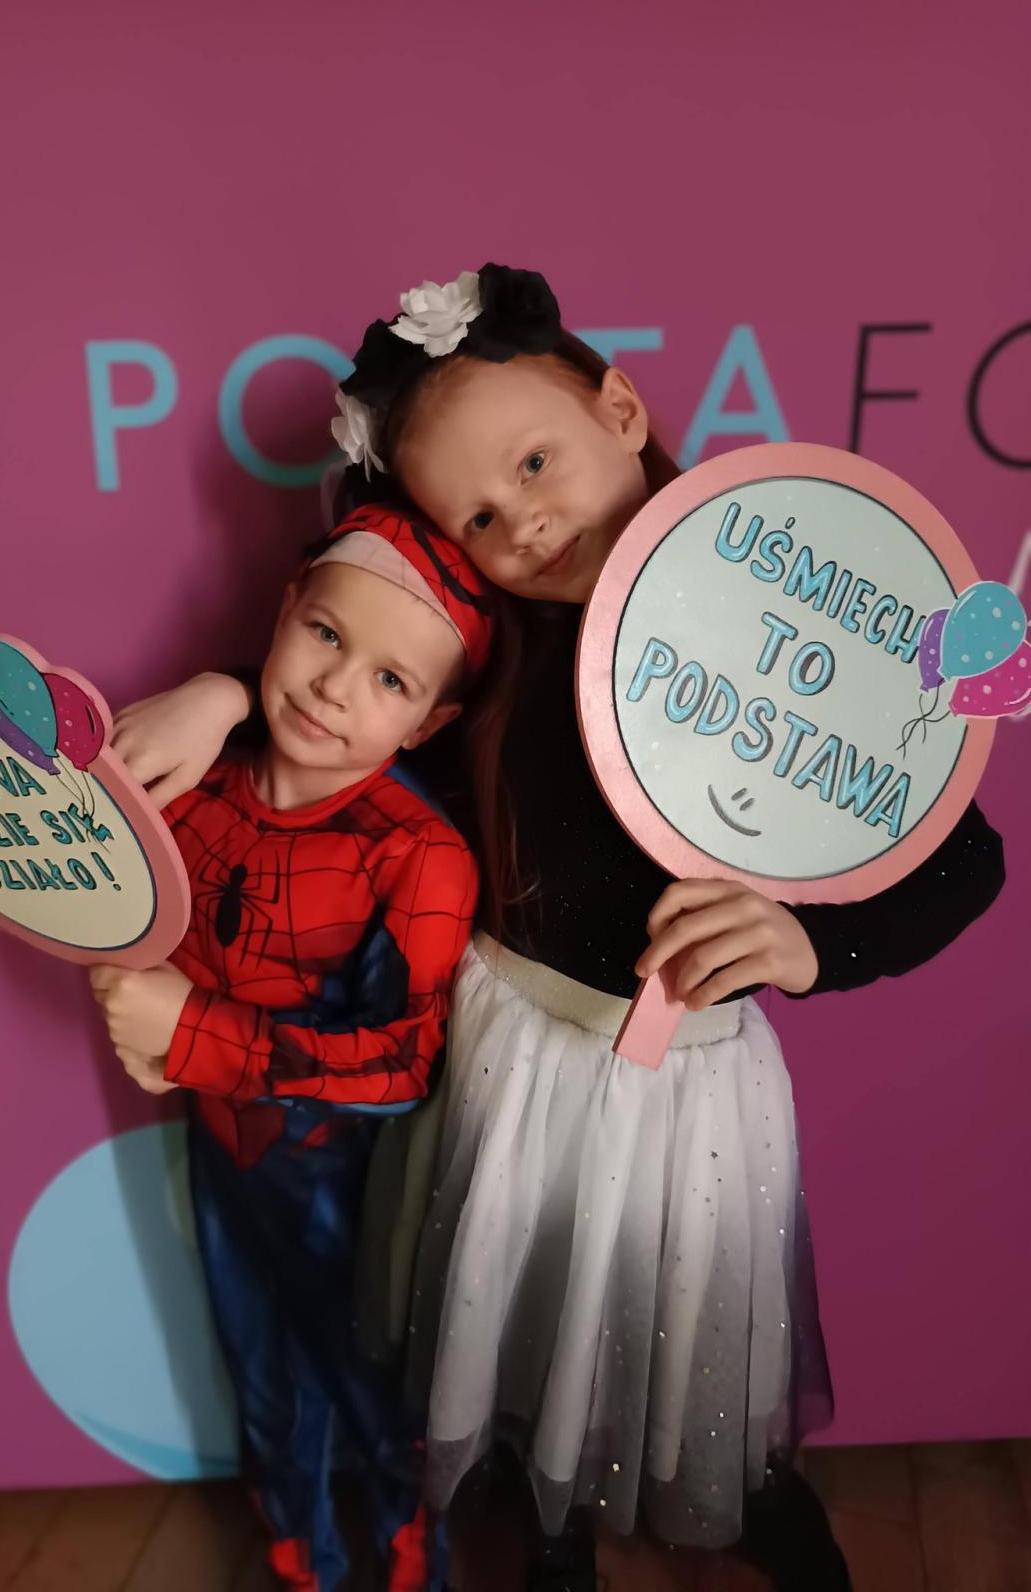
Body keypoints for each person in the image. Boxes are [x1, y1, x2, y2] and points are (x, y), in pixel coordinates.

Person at [110, 266, 1006, 1592]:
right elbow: (362, 686)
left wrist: (815, 946)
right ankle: (551, 1532)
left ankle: (752, 1496)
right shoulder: (497, 665)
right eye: (476, 513)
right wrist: (228, 694)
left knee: (686, 1305)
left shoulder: (778, 623)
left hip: (693, 1080)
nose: (521, 520)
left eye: (534, 462)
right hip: (516, 1052)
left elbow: (964, 859)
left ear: (621, 411)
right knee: (528, 1303)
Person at [91, 503, 491, 1592]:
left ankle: (415, 1566)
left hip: (353, 1191)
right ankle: (299, 1564)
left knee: (381, 1389)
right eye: (325, 634)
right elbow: (112, 913)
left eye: (390, 680)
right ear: (283, 614)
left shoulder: (417, 855)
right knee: (263, 1377)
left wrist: (190, 1032)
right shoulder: (192, 787)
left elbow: (405, 1062)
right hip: (226, 1159)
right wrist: (142, 1014)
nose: (334, 687)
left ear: (428, 722)